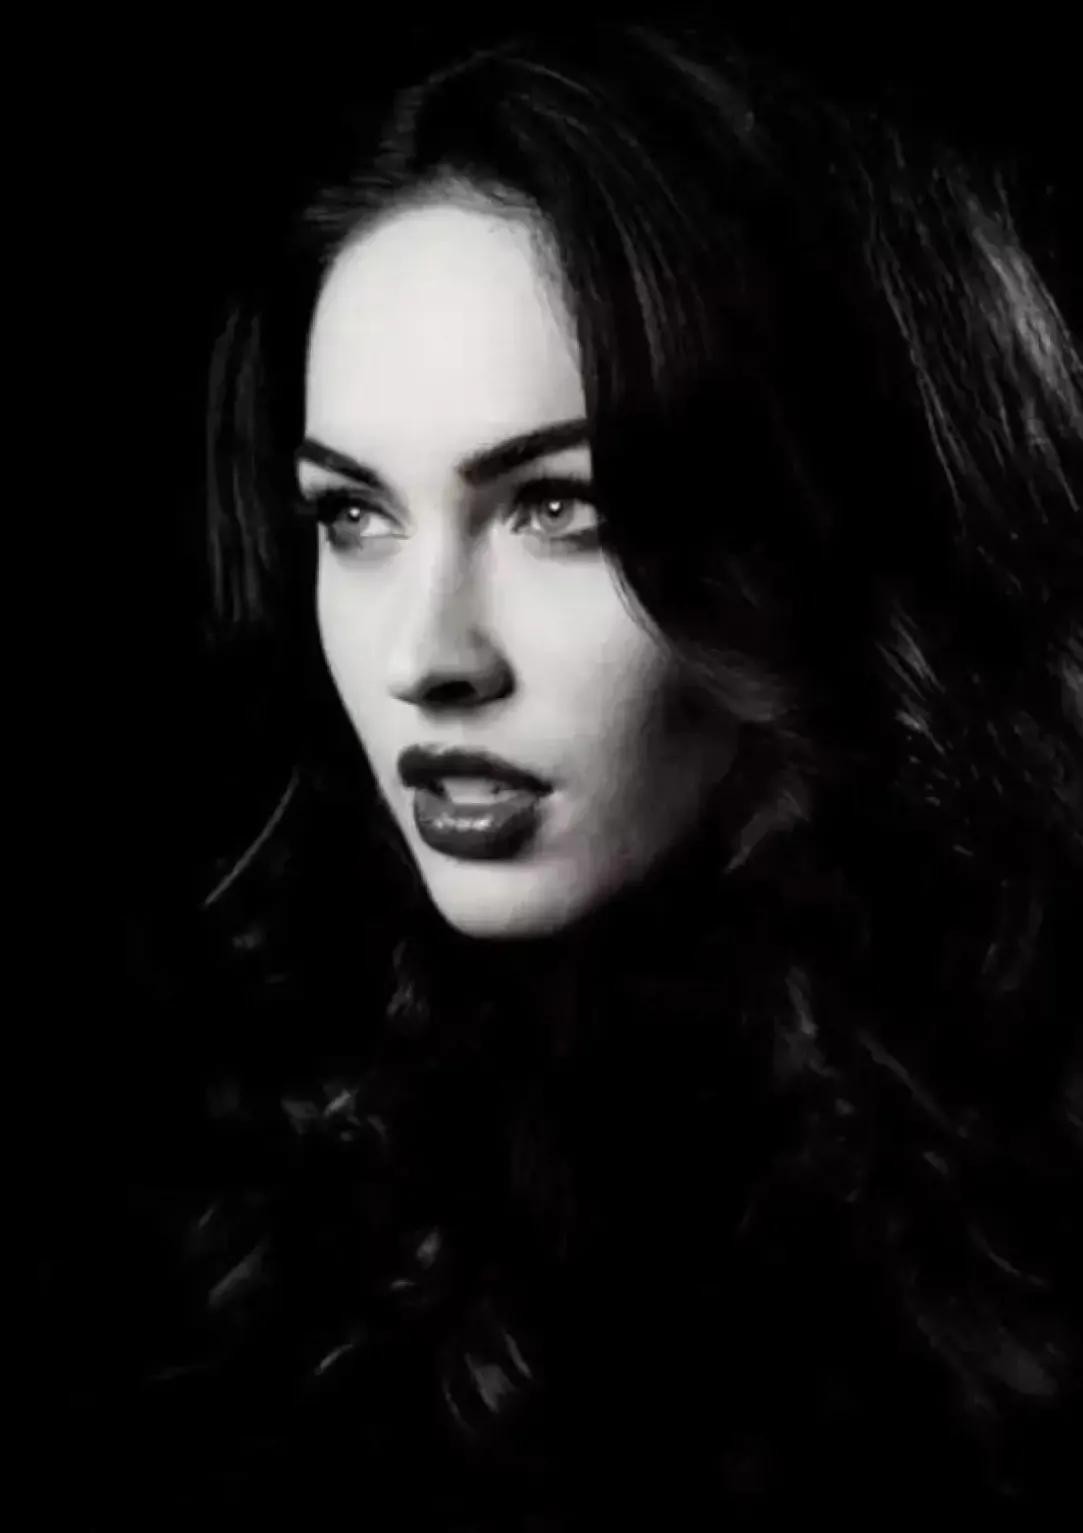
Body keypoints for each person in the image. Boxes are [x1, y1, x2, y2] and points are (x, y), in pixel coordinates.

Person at [98, 18, 1083, 1522]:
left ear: (822, 513)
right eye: (355, 516)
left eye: (558, 506)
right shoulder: (291, 1159)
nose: (425, 655)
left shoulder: (1019, 1211)